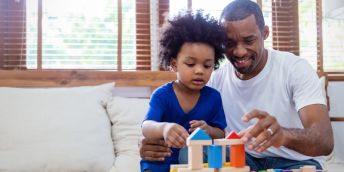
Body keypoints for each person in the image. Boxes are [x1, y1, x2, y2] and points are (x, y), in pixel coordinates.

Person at [139, 0, 334, 171]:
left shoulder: (294, 69)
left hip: (291, 163)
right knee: (193, 153)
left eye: (249, 40)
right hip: (240, 160)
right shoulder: (213, 79)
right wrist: (151, 144)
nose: (239, 52)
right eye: (230, 43)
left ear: (264, 33)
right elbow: (188, 130)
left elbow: (324, 141)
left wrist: (283, 135)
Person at [140, 11, 228, 172]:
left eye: (207, 65)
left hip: (195, 166)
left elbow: (221, 133)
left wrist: (209, 130)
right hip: (161, 164)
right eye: (190, 64)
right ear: (174, 64)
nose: (200, 71)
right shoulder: (162, 95)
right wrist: (164, 128)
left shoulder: (213, 97)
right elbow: (147, 126)